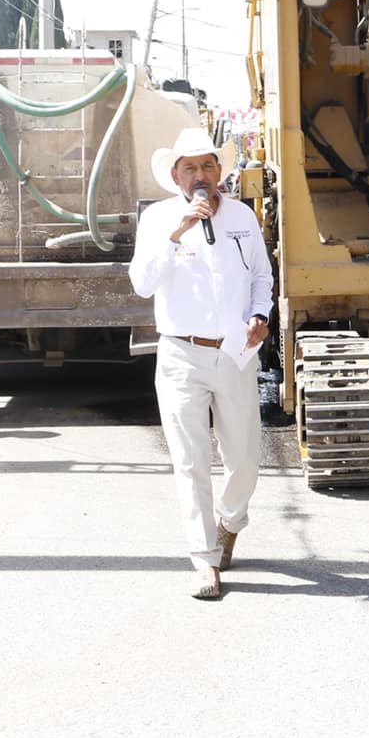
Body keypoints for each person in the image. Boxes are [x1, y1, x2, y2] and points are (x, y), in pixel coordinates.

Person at [127, 128, 274, 601]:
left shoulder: (243, 217)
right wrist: (178, 232)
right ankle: (204, 559)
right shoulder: (158, 219)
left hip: (234, 352)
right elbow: (143, 284)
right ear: (175, 175)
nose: (200, 175)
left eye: (207, 165)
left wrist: (260, 314)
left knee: (246, 458)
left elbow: (261, 277)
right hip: (180, 353)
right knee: (190, 462)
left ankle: (230, 522)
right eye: (189, 167)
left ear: (219, 171)